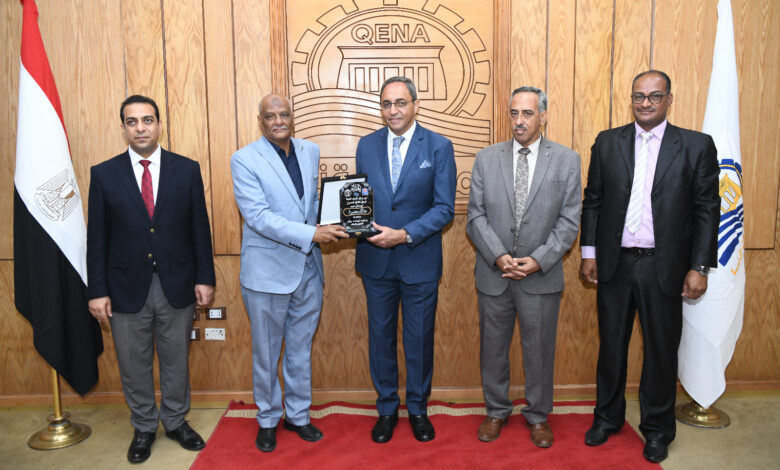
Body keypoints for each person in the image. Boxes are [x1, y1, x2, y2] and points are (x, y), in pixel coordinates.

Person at [580, 70, 719, 463]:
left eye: (654, 96)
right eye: (639, 96)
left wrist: (699, 267)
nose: (645, 103)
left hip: (665, 266)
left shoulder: (695, 145)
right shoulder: (608, 142)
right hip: (615, 265)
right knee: (611, 347)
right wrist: (589, 253)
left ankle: (657, 430)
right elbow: (593, 200)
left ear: (668, 99)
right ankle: (607, 418)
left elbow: (707, 209)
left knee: (660, 352)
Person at [87, 95, 216, 463]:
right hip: (124, 287)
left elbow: (199, 229)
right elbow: (97, 238)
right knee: (133, 363)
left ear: (159, 124)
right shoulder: (104, 173)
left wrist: (205, 277)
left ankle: (175, 421)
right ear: (123, 128)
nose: (140, 128)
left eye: (147, 120)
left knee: (176, 360)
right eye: (132, 122)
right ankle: (144, 426)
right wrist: (97, 291)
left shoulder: (186, 169)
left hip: (178, 282)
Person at [230, 94, 348, 453]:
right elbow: (259, 217)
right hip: (267, 273)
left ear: (292, 117)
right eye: (270, 116)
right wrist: (312, 233)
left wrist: (341, 213)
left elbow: (310, 204)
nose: (278, 121)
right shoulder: (244, 159)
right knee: (266, 353)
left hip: (308, 269)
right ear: (260, 120)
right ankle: (267, 419)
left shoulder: (309, 151)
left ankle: (298, 415)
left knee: (300, 349)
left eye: (284, 114)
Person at [466, 86, 581, 448]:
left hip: (541, 275)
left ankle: (538, 416)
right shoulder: (487, 159)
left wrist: (538, 260)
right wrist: (498, 254)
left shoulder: (567, 160)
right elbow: (475, 216)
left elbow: (569, 221)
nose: (519, 121)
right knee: (492, 348)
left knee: (540, 350)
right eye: (514, 113)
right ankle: (496, 411)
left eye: (527, 114)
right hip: (494, 273)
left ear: (543, 116)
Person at [355, 76, 456, 443]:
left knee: (419, 339)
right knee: (380, 339)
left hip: (419, 259)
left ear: (416, 105)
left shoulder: (439, 146)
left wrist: (404, 234)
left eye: (400, 103)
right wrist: (353, 222)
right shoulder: (366, 145)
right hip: (375, 260)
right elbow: (359, 201)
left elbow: (444, 208)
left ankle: (417, 409)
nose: (393, 110)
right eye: (386, 104)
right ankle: (386, 409)